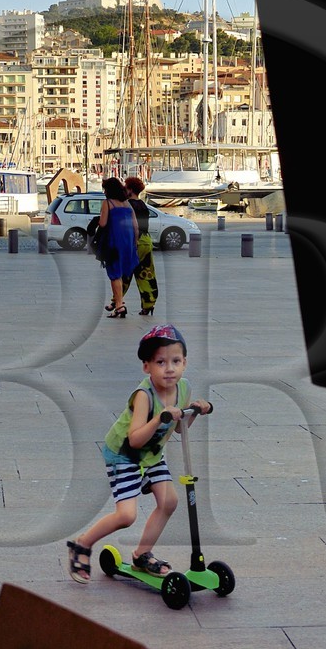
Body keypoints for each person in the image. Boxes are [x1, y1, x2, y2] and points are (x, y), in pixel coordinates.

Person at [65, 323, 214, 583]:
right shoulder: (144, 395)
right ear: (147, 366)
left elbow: (179, 429)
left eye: (175, 361)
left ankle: (142, 555)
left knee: (169, 502)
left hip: (152, 454)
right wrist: (158, 419)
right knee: (126, 516)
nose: (169, 368)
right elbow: (134, 439)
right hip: (124, 454)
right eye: (160, 362)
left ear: (185, 363)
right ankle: (82, 543)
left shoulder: (183, 388)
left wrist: (193, 411)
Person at [97, 176, 140, 318]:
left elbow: (103, 224)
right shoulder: (127, 204)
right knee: (120, 274)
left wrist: (98, 218)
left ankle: (120, 305)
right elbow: (135, 226)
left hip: (114, 242)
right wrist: (135, 243)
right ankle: (117, 303)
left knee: (114, 274)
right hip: (128, 242)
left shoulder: (107, 203)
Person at [123, 175, 160, 316]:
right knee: (146, 274)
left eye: (126, 187)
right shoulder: (143, 205)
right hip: (146, 241)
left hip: (134, 241)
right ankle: (149, 304)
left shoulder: (128, 205)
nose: (124, 190)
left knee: (124, 274)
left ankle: (117, 302)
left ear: (130, 190)